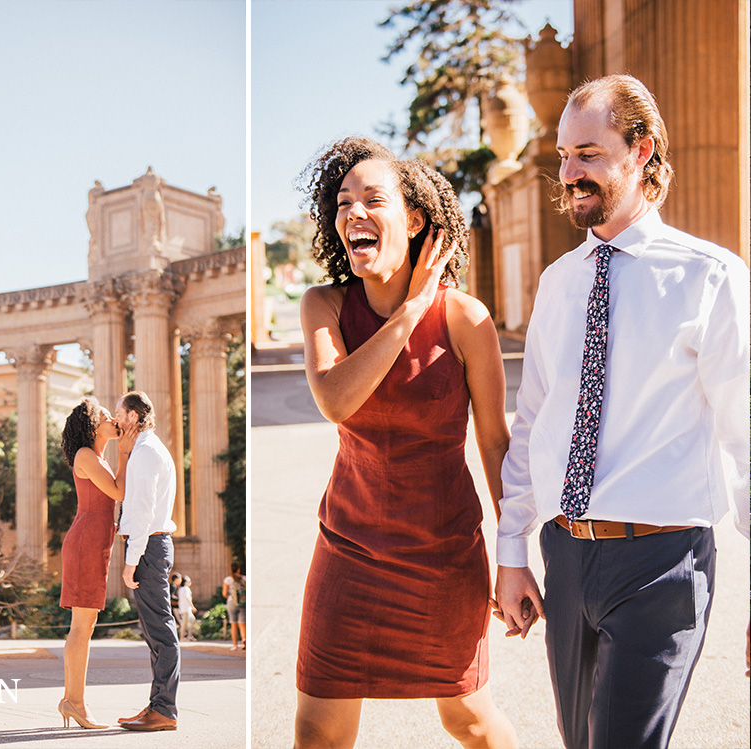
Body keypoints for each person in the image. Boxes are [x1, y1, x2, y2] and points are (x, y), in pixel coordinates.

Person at [494, 74, 750, 749]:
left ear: (641, 151)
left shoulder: (710, 277)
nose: (569, 173)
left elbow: (747, 439)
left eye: (588, 154)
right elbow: (534, 424)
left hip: (663, 562)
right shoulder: (558, 284)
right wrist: (513, 549)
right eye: (562, 156)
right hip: (566, 555)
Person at [295, 136, 517, 748]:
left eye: (372, 199)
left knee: (468, 721)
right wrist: (412, 307)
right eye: (342, 202)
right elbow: (337, 399)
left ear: (414, 219)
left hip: (444, 558)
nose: (353, 213)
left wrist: (516, 557)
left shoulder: (467, 319)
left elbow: (494, 444)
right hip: (348, 552)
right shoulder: (324, 306)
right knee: (317, 734)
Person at [57, 397, 137, 729]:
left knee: (85, 626)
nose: (114, 421)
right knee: (81, 626)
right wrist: (127, 451)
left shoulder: (96, 457)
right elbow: (118, 492)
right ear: (93, 425)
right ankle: (74, 702)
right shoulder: (87, 456)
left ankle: (71, 700)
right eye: (107, 416)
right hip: (85, 544)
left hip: (94, 542)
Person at [114, 391, 181, 732]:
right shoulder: (146, 450)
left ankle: (164, 710)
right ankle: (158, 705)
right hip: (153, 547)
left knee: (160, 631)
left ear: (134, 419)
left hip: (149, 549)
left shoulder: (145, 454)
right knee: (156, 632)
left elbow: (141, 513)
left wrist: (130, 561)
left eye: (119, 414)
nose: (114, 421)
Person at [222, 561, 246, 650]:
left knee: (233, 624)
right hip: (243, 602)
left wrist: (230, 596)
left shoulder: (228, 580)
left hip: (232, 602)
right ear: (238, 569)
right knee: (242, 624)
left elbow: (224, 593)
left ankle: (235, 645)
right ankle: (244, 640)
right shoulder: (244, 578)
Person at [177, 575, 197, 641]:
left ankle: (189, 636)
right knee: (184, 623)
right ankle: (182, 637)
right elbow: (187, 598)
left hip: (183, 608)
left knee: (192, 620)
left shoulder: (180, 589)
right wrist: (192, 606)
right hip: (186, 608)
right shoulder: (186, 588)